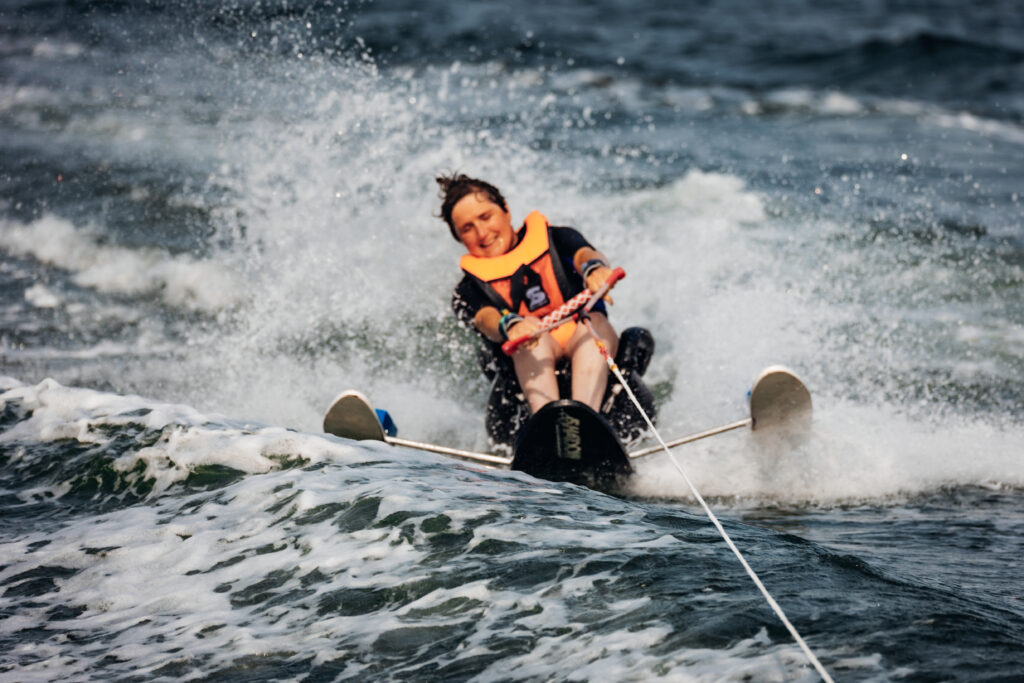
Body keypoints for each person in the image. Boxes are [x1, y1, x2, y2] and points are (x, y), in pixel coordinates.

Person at [438, 173, 621, 415]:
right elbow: (485, 319)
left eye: (485, 217)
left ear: (506, 210)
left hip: (581, 335)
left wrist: (595, 269)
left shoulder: (558, 238)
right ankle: (547, 424)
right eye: (468, 229)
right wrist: (510, 325)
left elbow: (584, 254)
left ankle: (584, 420)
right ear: (458, 238)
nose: (482, 233)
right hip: (531, 354)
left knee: (594, 323)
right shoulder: (467, 290)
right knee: (528, 339)